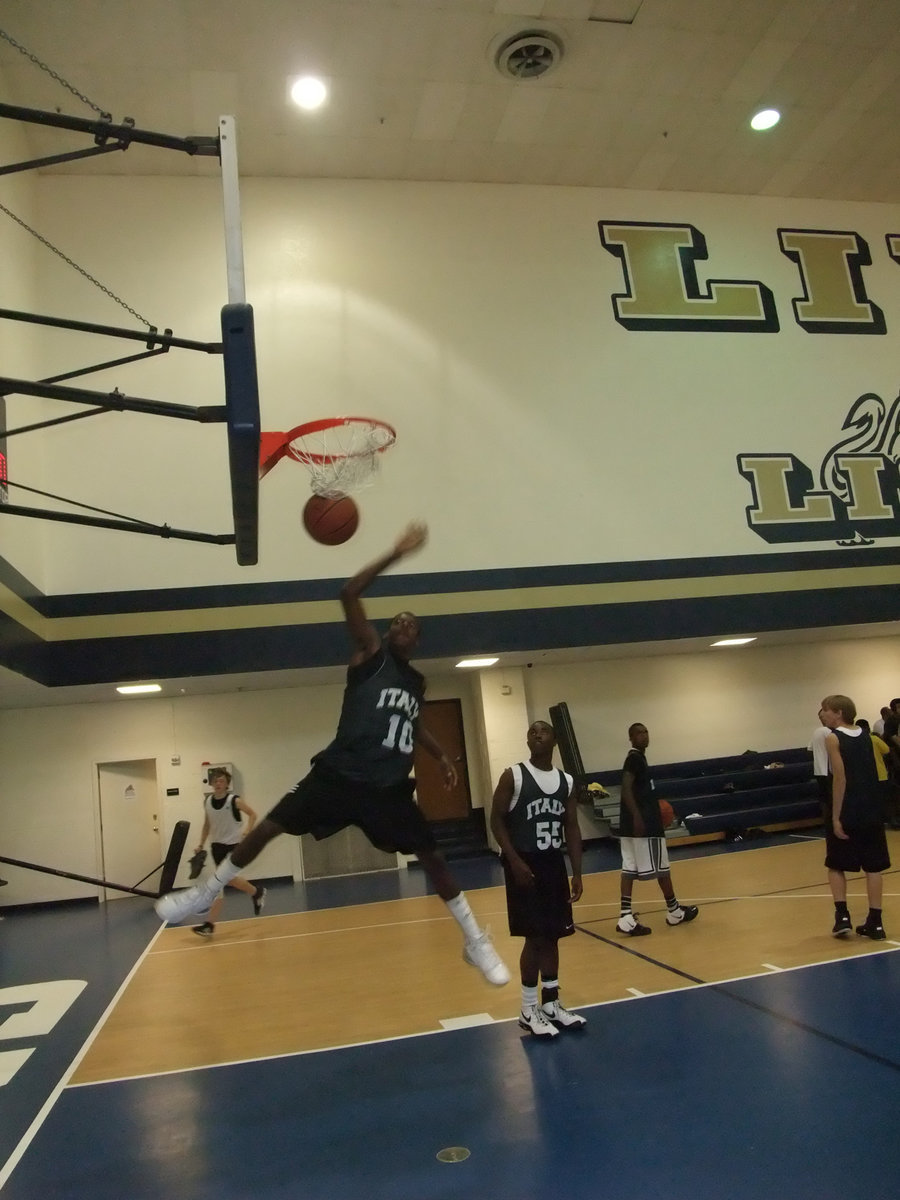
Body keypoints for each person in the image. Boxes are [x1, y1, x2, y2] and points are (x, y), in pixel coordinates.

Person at [156, 523, 509, 986]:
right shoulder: (371, 654)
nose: (403, 626)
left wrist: (441, 756)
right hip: (339, 774)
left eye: (411, 625)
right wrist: (395, 552)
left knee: (434, 857)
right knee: (269, 827)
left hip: (387, 790)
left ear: (418, 640)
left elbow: (413, 722)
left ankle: (473, 940)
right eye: (397, 621)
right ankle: (205, 893)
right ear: (387, 633)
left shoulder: (417, 683)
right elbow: (347, 592)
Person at [490, 720, 586, 1038]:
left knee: (554, 934)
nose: (536, 734)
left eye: (543, 731)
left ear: (554, 740)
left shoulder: (566, 781)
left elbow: (571, 826)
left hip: (552, 863)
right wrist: (513, 859)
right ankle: (528, 1009)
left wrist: (577, 871)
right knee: (534, 937)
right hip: (524, 863)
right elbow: (496, 820)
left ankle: (551, 1003)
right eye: (531, 731)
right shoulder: (513, 775)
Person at [615, 723, 698, 936]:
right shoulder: (634, 759)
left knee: (629, 868)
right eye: (639, 733)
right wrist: (638, 817)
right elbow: (625, 788)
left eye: (646, 732)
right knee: (662, 868)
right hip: (643, 825)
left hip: (631, 825)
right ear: (631, 737)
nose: (644, 736)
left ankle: (625, 916)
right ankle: (674, 911)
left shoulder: (638, 758)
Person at [821, 694, 891, 939]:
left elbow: (840, 777)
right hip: (871, 808)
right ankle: (876, 921)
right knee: (874, 867)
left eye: (825, 709)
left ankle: (842, 917)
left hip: (848, 807)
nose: (822, 714)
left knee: (836, 864)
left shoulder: (833, 738)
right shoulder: (866, 736)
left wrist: (836, 816)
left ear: (838, 712)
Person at [190, 767, 265, 938]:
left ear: (227, 785)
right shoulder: (207, 802)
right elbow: (207, 825)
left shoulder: (234, 801)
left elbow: (253, 814)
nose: (218, 783)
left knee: (219, 883)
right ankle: (256, 892)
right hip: (216, 847)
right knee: (227, 881)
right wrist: (200, 844)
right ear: (212, 784)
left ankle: (209, 925)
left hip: (233, 846)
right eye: (215, 781)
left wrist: (247, 830)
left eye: (221, 781)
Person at [809, 708, 832, 826]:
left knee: (825, 797)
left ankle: (828, 822)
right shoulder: (828, 731)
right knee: (829, 797)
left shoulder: (817, 732)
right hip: (828, 770)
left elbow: (810, 749)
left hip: (819, 770)